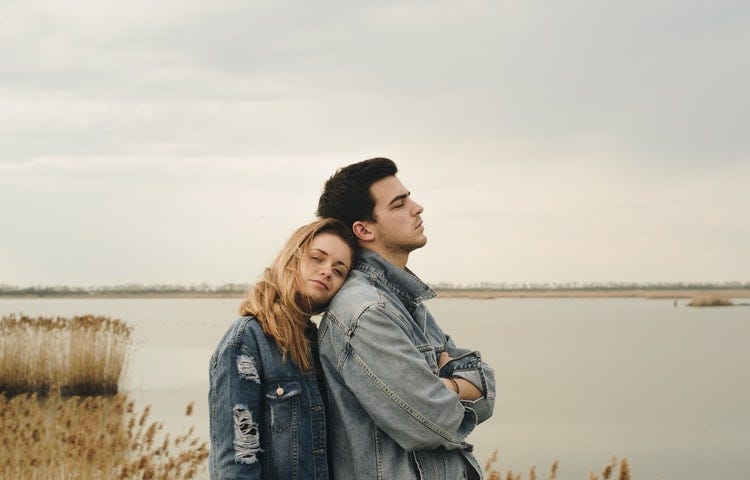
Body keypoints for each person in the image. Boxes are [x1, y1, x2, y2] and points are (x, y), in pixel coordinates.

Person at [316, 158, 496, 480]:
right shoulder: (366, 313)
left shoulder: (404, 302)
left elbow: (485, 387)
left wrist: (442, 386)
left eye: (409, 198)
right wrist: (456, 384)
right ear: (364, 229)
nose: (418, 208)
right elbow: (432, 421)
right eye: (399, 204)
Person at [208, 218, 357, 480]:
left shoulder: (321, 343)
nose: (326, 271)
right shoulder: (247, 339)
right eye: (317, 258)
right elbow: (236, 464)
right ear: (292, 258)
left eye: (339, 270)